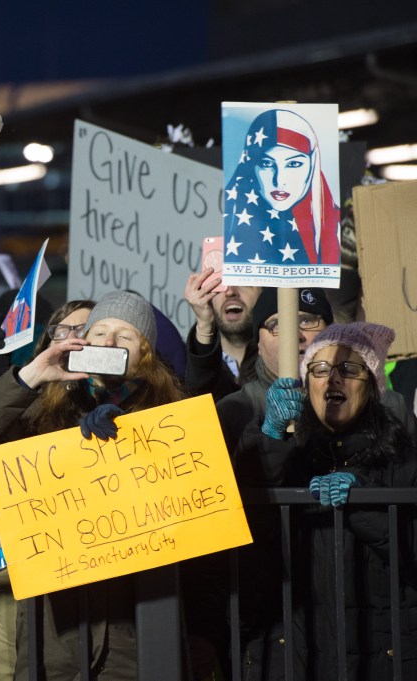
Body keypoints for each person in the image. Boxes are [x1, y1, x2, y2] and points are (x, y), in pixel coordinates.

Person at [0, 291, 184, 681]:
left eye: (123, 337)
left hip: (133, 627)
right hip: (51, 627)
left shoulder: (169, 416)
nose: (107, 342)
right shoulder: (44, 413)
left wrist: (131, 433)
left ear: (146, 354)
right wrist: (32, 375)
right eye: (99, 332)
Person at [239, 322, 417, 679]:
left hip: (379, 659)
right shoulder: (287, 452)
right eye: (319, 369)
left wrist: (363, 498)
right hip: (295, 660)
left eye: (349, 369)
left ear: (372, 385)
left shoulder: (402, 457)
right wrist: (270, 437)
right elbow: (242, 526)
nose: (332, 378)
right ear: (307, 385)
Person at [222, 109, 340, 266]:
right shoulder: (225, 224)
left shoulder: (337, 228)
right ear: (250, 164)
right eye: (266, 164)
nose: (279, 181)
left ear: (313, 164)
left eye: (293, 164)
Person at [183, 270, 261, 400]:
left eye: (243, 281)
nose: (230, 292)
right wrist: (204, 325)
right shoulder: (180, 365)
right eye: (219, 283)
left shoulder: (287, 358)